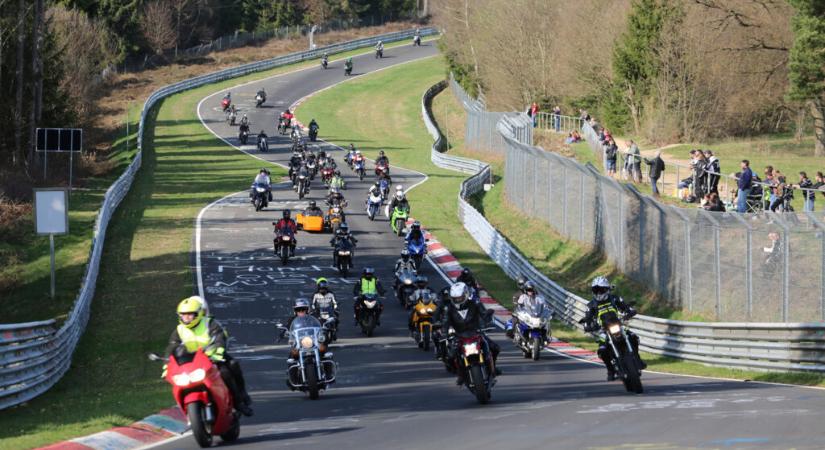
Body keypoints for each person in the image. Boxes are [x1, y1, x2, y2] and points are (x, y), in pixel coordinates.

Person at [165, 296, 253, 416]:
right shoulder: (179, 329)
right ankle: (186, 408)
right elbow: (172, 347)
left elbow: (220, 337)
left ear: (199, 313)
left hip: (212, 357)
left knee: (229, 368)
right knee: (178, 380)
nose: (186, 318)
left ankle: (239, 400)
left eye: (190, 314)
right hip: (190, 361)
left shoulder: (209, 323)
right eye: (183, 315)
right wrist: (167, 365)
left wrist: (218, 352)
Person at [580, 276, 645, 381]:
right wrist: (588, 326)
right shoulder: (591, 305)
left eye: (601, 290)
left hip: (619, 325)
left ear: (606, 289)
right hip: (603, 330)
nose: (599, 293)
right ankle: (610, 370)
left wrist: (629, 312)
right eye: (596, 290)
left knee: (634, 337)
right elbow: (587, 318)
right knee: (602, 350)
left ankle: (638, 359)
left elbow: (626, 307)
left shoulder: (615, 298)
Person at [440, 282, 500, 385]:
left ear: (466, 294)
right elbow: (445, 322)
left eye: (460, 297)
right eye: (456, 298)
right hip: (459, 336)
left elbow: (484, 314)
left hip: (476, 333)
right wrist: (444, 334)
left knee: (495, 348)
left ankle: (493, 368)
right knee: (450, 356)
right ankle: (460, 375)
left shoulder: (475, 303)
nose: (458, 300)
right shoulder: (449, 308)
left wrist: (488, 320)